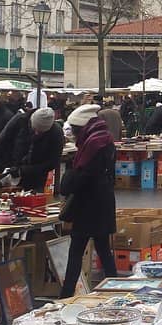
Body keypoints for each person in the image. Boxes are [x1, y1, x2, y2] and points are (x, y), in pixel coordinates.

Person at [59, 104, 117, 298]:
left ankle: (66, 295)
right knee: (103, 250)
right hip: (102, 203)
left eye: (75, 131)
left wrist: (68, 178)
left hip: (89, 205)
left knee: (76, 251)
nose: (74, 136)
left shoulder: (92, 145)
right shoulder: (103, 139)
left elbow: (82, 177)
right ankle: (116, 289)